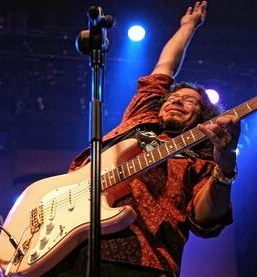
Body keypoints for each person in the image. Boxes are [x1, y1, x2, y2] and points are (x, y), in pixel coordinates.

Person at [44, 1, 240, 276]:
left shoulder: (202, 159)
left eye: (189, 101)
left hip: (144, 261)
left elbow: (206, 220)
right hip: (70, 249)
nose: (177, 101)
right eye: (172, 98)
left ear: (203, 115)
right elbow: (164, 67)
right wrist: (187, 27)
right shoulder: (141, 117)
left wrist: (227, 161)